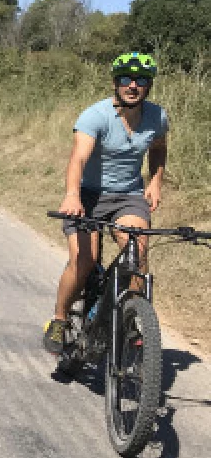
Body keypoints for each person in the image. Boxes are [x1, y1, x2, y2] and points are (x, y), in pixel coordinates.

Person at [42, 52, 168, 354]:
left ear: (148, 86)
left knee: (137, 255)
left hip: (128, 197)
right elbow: (78, 158)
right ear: (115, 83)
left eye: (140, 80)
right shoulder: (95, 116)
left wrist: (155, 181)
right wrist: (72, 194)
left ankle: (131, 319)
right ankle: (59, 319)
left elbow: (159, 149)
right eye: (126, 79)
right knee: (84, 260)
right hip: (87, 195)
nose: (133, 85)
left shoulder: (157, 116)